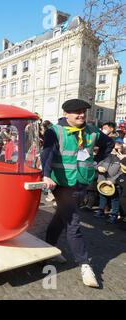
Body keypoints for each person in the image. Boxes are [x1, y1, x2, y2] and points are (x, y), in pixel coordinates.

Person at [41, 99, 114, 288]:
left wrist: (96, 161)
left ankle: (47, 250)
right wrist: (46, 175)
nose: (81, 115)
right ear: (66, 114)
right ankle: (85, 264)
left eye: (83, 112)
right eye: (77, 112)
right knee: (73, 222)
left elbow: (109, 144)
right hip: (63, 184)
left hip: (82, 181)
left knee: (60, 218)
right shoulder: (55, 131)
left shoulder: (92, 130)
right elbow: (47, 154)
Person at [93, 138, 125, 224]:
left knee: (115, 200)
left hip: (114, 183)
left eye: (119, 146)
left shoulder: (122, 159)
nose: (117, 148)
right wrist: (98, 167)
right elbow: (94, 164)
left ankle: (114, 215)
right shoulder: (105, 156)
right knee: (102, 197)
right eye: (115, 146)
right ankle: (101, 211)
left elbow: (122, 172)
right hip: (102, 182)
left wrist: (113, 180)